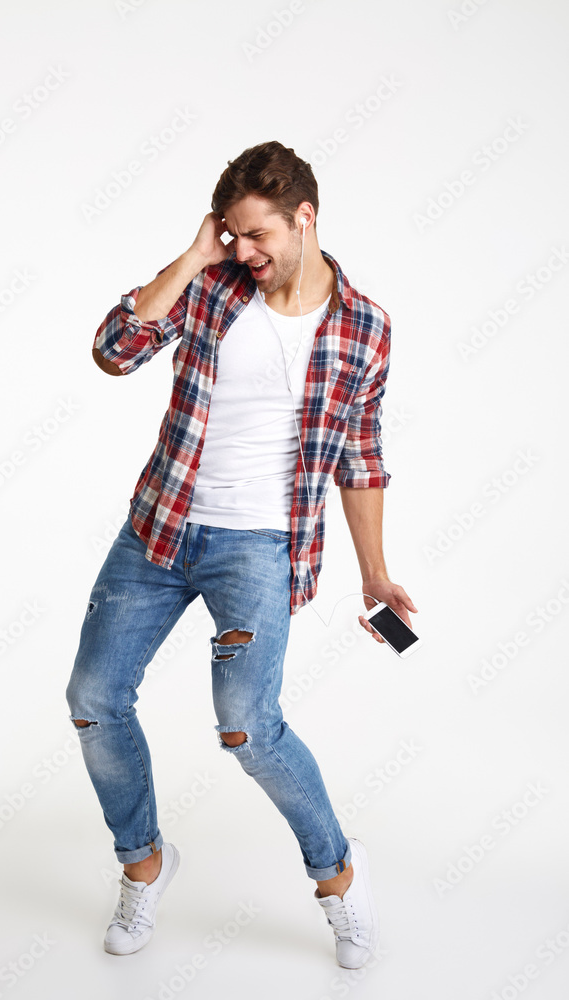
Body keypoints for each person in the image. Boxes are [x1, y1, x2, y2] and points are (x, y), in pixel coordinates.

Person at [66, 140, 417, 968]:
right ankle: (144, 864)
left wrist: (374, 574)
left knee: (247, 729)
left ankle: (338, 874)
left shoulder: (364, 326)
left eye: (256, 234)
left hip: (260, 545)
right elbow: (114, 349)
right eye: (230, 234)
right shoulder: (212, 286)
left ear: (305, 217)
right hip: (161, 526)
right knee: (93, 696)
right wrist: (194, 256)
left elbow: (358, 456)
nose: (244, 252)